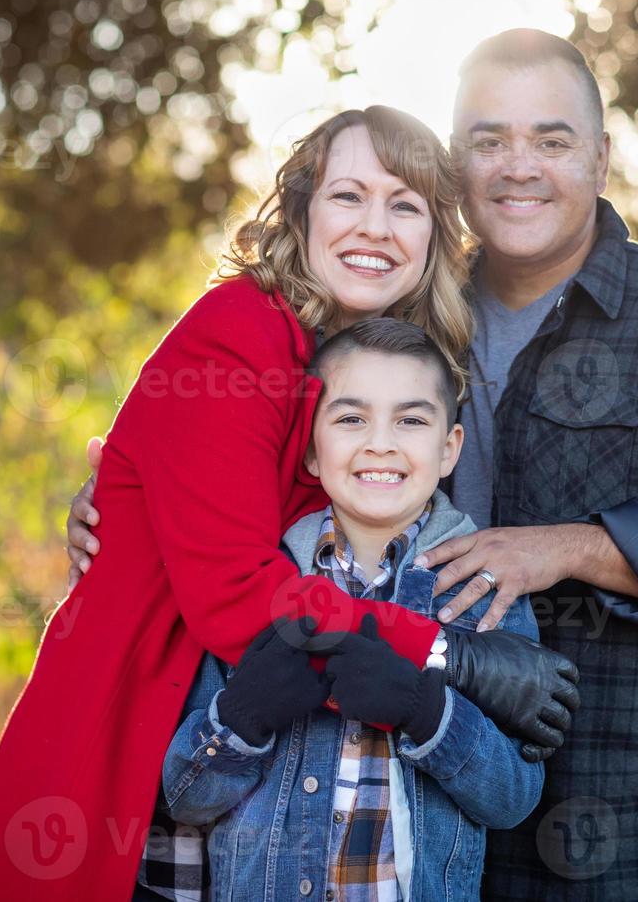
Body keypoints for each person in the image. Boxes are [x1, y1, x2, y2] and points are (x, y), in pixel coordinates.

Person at [70, 31, 638, 901]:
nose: (517, 166)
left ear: (603, 159)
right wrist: (128, 509)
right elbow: (272, 477)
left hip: (593, 822)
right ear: (457, 166)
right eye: (488, 140)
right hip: (392, 820)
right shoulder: (407, 309)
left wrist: (569, 548)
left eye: (551, 139)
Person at [0, 106, 580, 901]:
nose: (375, 227)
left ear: (434, 238)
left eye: (406, 205)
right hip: (147, 719)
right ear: (303, 213)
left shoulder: (375, 372)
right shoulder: (239, 330)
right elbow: (239, 599)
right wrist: (450, 657)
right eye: (348, 196)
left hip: (271, 757)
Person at [148, 317, 544, 902]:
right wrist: (242, 720)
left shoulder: (479, 593)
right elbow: (186, 798)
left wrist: (430, 714)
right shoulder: (258, 582)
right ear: (311, 450)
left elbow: (514, 798)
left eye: (411, 419)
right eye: (351, 418)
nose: (380, 442)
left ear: (449, 449)